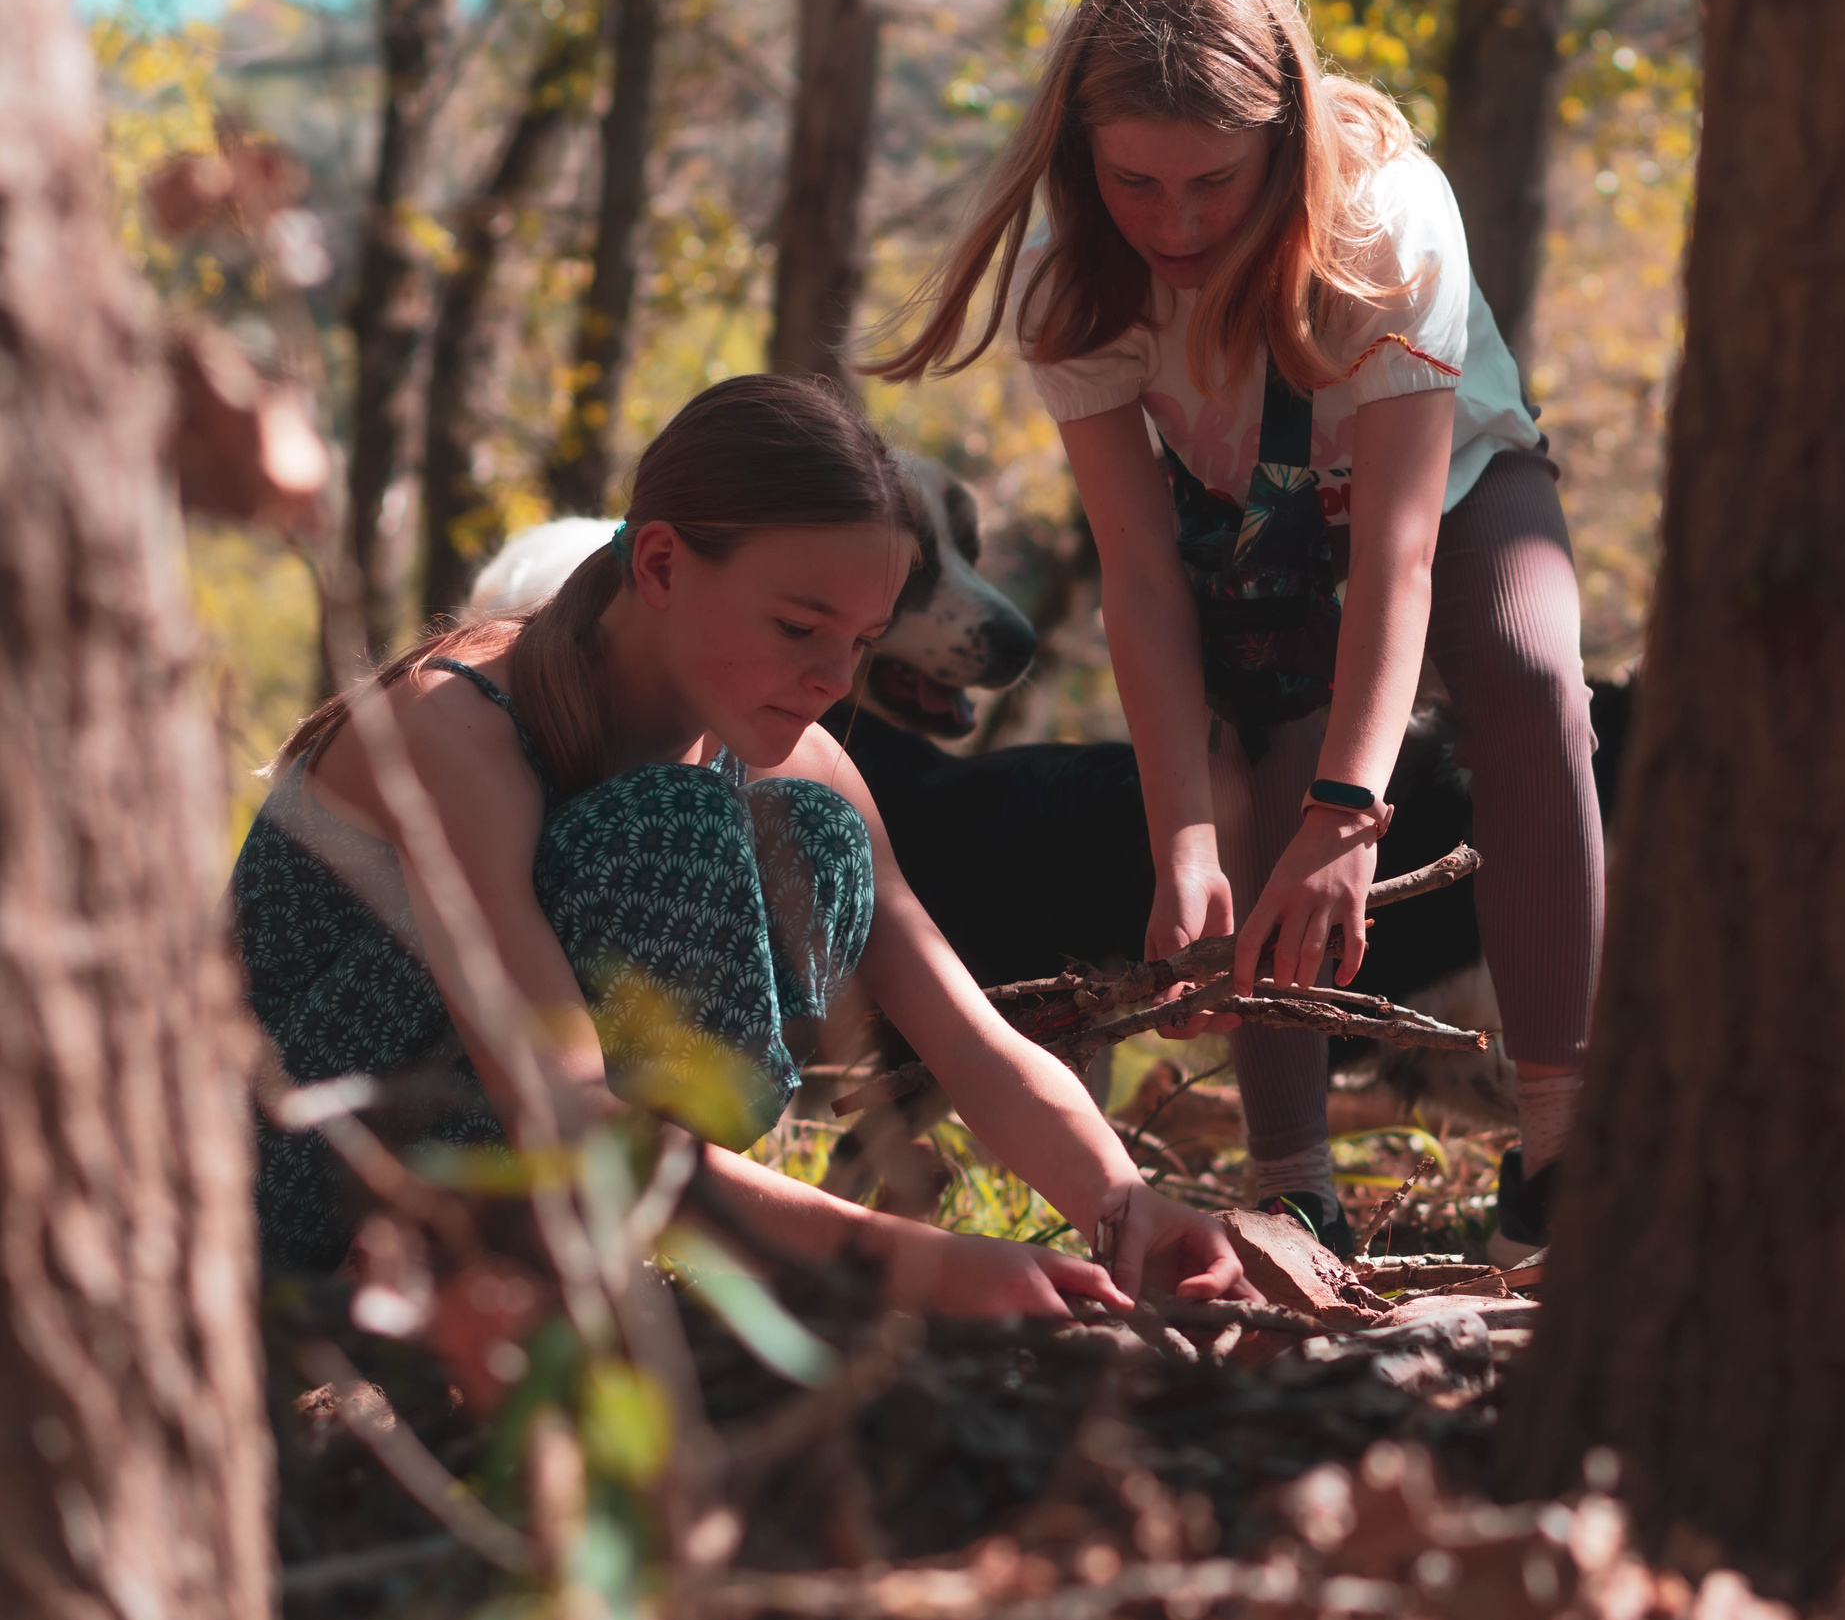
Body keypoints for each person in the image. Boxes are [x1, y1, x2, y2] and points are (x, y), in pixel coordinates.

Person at [871, 0, 1603, 1263]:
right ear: (1081, 153)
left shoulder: (1387, 216)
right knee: (1259, 746)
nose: (1181, 221)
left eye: (1217, 178)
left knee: (1531, 675)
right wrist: (1185, 841)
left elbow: (1395, 550)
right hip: (1241, 515)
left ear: (1287, 132)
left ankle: (1560, 1151)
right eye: (1136, 180)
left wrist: (1352, 812)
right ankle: (1291, 1180)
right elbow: (1144, 579)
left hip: (1443, 486)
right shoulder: (1073, 278)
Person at [233, 374, 1247, 1316]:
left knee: (818, 835)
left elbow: (973, 1043)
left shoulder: (798, 761)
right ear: (662, 562)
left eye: (859, 641)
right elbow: (562, 1103)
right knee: (669, 827)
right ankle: (457, 1276)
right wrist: (909, 1264)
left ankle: (544, 1266)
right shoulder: (455, 729)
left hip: (534, 1177)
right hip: (279, 1174)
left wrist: (1123, 1205)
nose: (833, 679)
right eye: (798, 626)